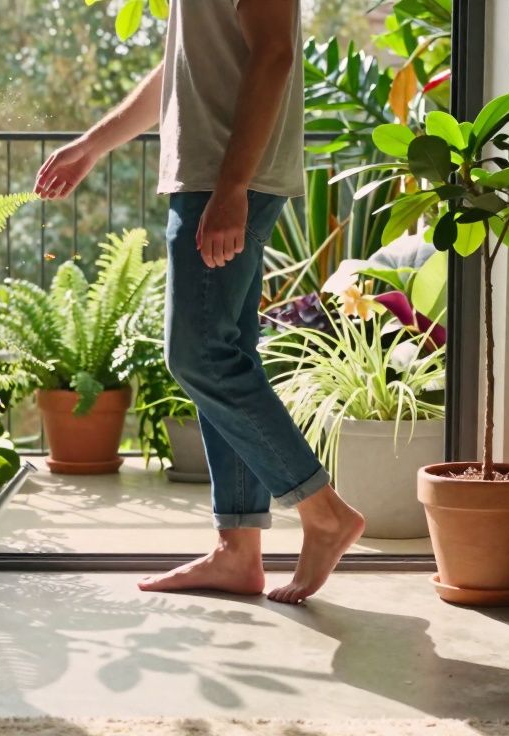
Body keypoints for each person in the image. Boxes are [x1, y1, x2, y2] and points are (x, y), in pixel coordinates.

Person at [34, 0, 364, 604]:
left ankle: (323, 511)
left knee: (200, 356)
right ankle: (237, 551)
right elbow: (182, 66)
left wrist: (232, 187)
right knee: (226, 356)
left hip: (224, 178)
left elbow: (274, 53)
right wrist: (93, 144)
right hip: (213, 175)